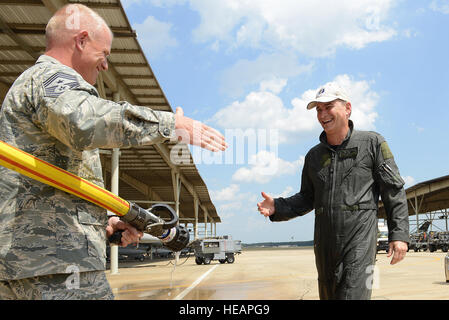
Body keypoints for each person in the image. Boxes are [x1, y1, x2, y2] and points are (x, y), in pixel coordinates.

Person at [0, 4, 227, 300]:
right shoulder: (50, 78)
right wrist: (172, 123)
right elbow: (85, 121)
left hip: (41, 260)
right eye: (104, 54)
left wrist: (101, 223)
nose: (105, 65)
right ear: (81, 41)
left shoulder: (37, 88)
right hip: (55, 264)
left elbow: (49, 185)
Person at [257, 81, 409, 300]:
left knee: (354, 295)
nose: (322, 114)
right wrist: (277, 206)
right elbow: (308, 198)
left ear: (347, 108)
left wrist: (400, 234)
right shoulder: (314, 156)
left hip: (361, 243)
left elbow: (393, 190)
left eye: (328, 107)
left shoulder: (372, 143)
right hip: (325, 245)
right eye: (319, 109)